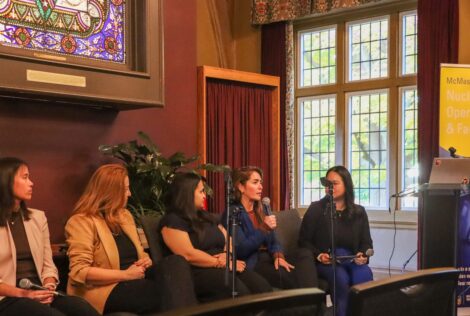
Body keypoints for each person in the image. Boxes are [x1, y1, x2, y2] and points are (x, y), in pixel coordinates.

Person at [65, 164, 197, 314]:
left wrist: (146, 260)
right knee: (166, 292)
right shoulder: (81, 222)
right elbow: (80, 272)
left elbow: (140, 253)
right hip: (106, 288)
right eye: (126, 189)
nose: (129, 194)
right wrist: (126, 275)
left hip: (136, 277)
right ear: (111, 192)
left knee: (176, 262)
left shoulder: (124, 216)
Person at [0, 157, 99, 316]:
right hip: (7, 298)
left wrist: (48, 286)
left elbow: (48, 264)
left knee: (82, 308)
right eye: (25, 177)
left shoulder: (37, 218)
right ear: (6, 181)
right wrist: (24, 294)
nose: (31, 183)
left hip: (38, 291)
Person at [160, 172, 272, 302]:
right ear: (188, 194)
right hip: (200, 270)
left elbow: (228, 240)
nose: (204, 195)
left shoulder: (207, 217)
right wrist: (219, 263)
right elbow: (188, 254)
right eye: (201, 191)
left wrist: (227, 255)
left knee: (263, 288)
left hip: (226, 264)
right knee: (240, 293)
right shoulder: (172, 221)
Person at [224, 166, 318, 290]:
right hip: (255, 262)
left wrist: (278, 256)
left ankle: (313, 298)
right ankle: (313, 303)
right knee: (291, 278)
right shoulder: (233, 213)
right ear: (241, 187)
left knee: (304, 254)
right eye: (255, 182)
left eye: (261, 183)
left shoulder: (261, 210)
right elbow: (240, 250)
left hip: (270, 257)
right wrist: (263, 229)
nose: (260, 187)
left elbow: (274, 241)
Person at [299, 165, 373, 316]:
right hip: (326, 261)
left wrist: (363, 255)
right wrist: (319, 255)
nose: (329, 187)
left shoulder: (359, 212)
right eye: (327, 183)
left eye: (335, 183)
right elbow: (304, 241)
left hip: (351, 259)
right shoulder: (316, 209)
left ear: (347, 184)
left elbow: (366, 243)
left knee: (364, 274)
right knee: (340, 278)